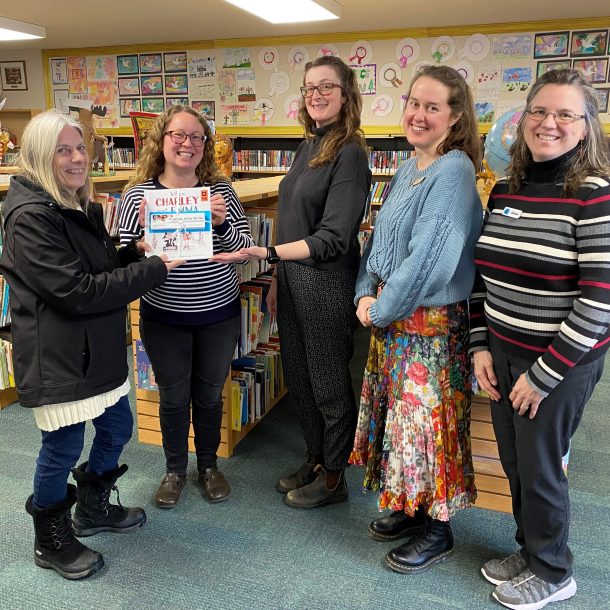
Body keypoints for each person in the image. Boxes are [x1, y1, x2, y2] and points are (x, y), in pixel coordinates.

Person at [0, 110, 177, 580]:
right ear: (39, 157)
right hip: (59, 356)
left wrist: (130, 253)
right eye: (63, 150)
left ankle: (93, 507)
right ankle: (50, 539)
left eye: (81, 147)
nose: (78, 158)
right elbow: (77, 292)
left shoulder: (74, 204)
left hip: (93, 350)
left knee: (117, 427)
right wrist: (156, 267)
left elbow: (92, 267)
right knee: (61, 446)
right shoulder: (30, 218)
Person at [470, 68, 610, 610]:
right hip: (501, 349)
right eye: (539, 111)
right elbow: (482, 275)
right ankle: (529, 549)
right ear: (522, 119)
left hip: (560, 361)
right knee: (514, 460)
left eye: (565, 114)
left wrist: (544, 374)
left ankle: (554, 570)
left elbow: (599, 301)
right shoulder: (507, 188)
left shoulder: (595, 196)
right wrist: (480, 344)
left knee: (542, 466)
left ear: (585, 127)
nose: (549, 123)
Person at [212, 56, 371, 508]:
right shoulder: (309, 144)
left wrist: (268, 254)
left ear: (345, 94)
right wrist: (280, 274)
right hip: (295, 277)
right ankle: (316, 458)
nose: (316, 95)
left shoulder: (351, 152)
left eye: (327, 86)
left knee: (327, 382)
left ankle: (336, 475)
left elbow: (334, 237)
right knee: (299, 377)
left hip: (326, 282)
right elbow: (293, 218)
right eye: (309, 87)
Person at [349, 65, 482, 573]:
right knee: (402, 427)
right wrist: (365, 291)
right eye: (413, 103)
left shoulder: (454, 170)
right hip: (394, 324)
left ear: (454, 117)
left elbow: (432, 260)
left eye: (433, 106)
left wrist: (378, 308)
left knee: (429, 429)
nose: (418, 114)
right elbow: (380, 246)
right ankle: (412, 506)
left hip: (428, 329)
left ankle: (439, 529)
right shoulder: (408, 168)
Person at [119, 105, 254, 509]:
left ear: (205, 147)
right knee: (174, 397)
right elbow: (121, 262)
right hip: (164, 317)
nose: (187, 144)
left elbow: (244, 253)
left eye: (197, 137)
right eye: (179, 134)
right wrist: (141, 243)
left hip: (218, 314)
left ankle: (209, 466)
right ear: (161, 140)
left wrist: (222, 225)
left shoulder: (221, 193)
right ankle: (175, 470)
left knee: (210, 395)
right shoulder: (138, 195)